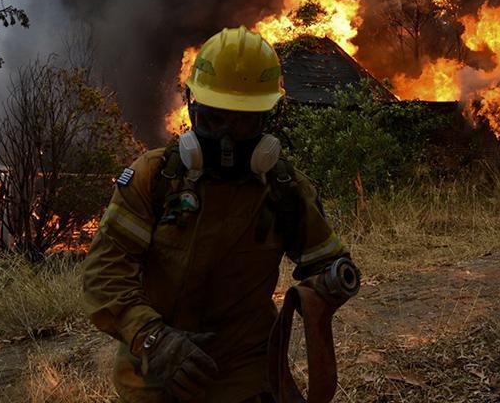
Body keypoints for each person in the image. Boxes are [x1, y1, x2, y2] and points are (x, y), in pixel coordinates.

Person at [82, 26, 357, 403]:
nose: (228, 136)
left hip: (247, 380)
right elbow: (104, 274)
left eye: (244, 121)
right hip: (155, 380)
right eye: (216, 119)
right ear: (192, 109)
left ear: (267, 119)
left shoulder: (284, 189)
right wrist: (153, 339)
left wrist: (331, 282)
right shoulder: (154, 178)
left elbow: (325, 261)